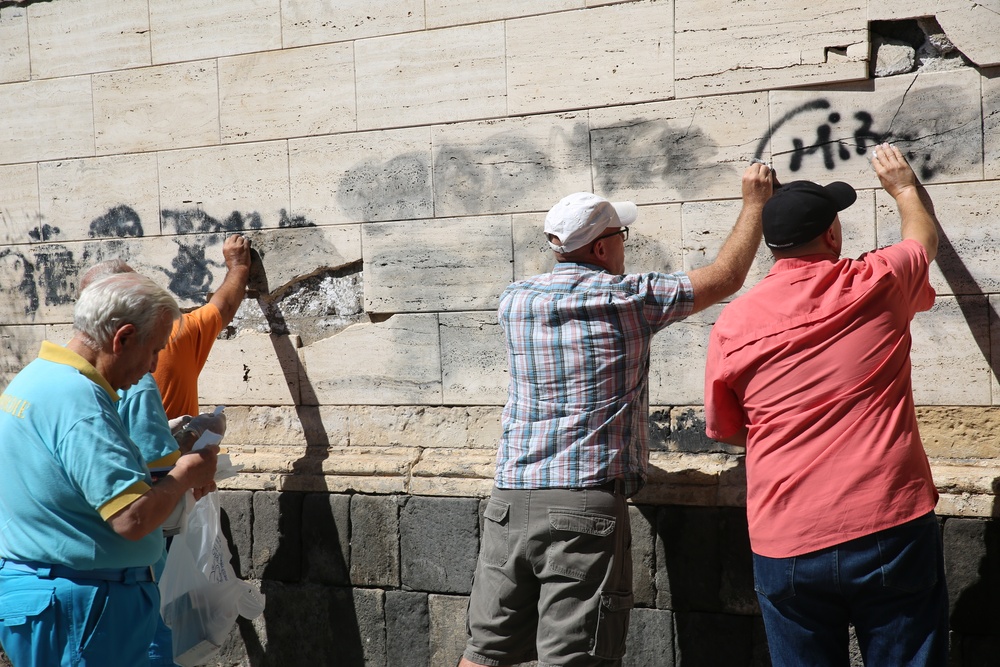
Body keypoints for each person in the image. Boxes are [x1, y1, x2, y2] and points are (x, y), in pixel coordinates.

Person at [460, 163, 774, 667]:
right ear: (602, 247)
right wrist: (755, 203)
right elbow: (726, 277)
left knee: (486, 652)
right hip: (582, 508)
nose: (625, 245)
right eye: (621, 235)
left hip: (509, 498)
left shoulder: (515, 300)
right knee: (573, 658)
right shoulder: (629, 299)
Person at [703, 143, 947, 666]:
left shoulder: (732, 325)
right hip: (887, 521)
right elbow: (920, 241)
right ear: (832, 234)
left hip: (785, 534)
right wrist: (904, 187)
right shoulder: (876, 282)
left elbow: (728, 428)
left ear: (772, 247)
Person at [0, 272, 219, 666]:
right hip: (83, 608)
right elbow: (131, 520)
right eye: (154, 350)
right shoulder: (81, 403)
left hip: (51, 596)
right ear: (123, 338)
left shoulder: (34, 378)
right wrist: (186, 474)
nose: (153, 367)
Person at [154, 233, 251, 419]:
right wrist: (238, 267)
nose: (150, 365)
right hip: (178, 447)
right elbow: (224, 308)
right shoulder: (173, 335)